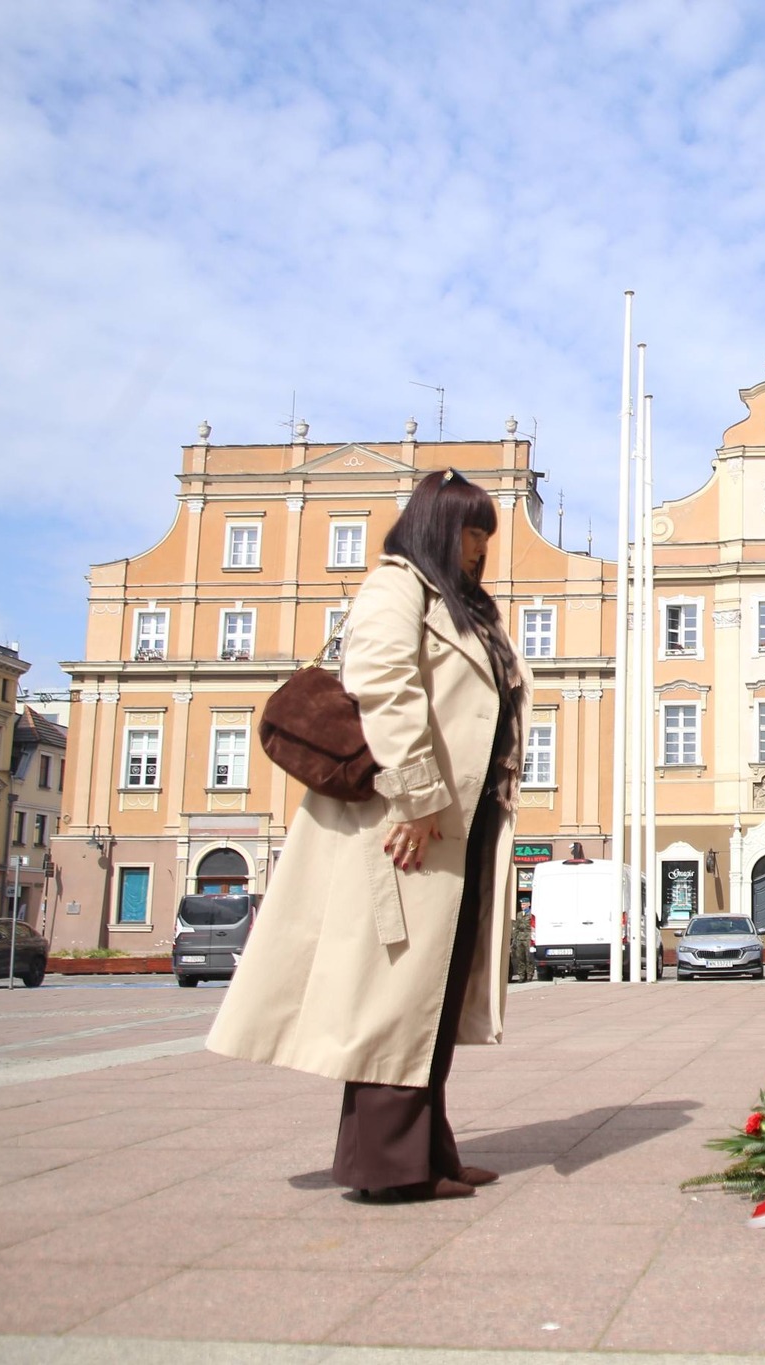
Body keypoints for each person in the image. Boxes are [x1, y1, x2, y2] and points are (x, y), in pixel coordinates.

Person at [208, 470, 530, 1201]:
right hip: (408, 822)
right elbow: (385, 684)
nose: (480, 547)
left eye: (485, 533)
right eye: (469, 530)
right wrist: (416, 797)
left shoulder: (466, 606)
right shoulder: (396, 588)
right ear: (433, 526)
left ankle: (429, 1149)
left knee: (432, 994)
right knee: (396, 990)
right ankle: (385, 1168)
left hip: (463, 823)